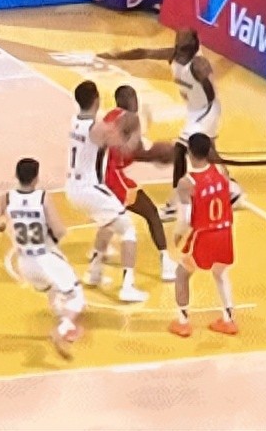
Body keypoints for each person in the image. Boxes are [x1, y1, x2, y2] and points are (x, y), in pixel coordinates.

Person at [99, 28, 245, 219]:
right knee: (209, 153)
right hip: (194, 111)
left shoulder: (199, 65)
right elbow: (145, 52)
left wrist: (202, 118)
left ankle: (174, 204)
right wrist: (117, 56)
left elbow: (210, 94)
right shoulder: (174, 54)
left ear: (191, 47)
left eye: (181, 43)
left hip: (206, 110)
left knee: (180, 151)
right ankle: (231, 189)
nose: (177, 44)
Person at [0, 158, 85, 358]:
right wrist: (51, 238)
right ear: (36, 178)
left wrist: (1, 227)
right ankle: (62, 329)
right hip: (45, 257)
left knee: (52, 290)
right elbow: (60, 230)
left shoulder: (6, 198)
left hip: (25, 263)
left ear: (16, 176)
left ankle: (65, 322)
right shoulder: (42, 198)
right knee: (76, 296)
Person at [66, 80, 148, 303]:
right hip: (90, 189)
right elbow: (128, 148)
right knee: (128, 230)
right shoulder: (99, 128)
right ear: (97, 99)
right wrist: (138, 125)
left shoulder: (74, 121)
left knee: (108, 222)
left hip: (73, 187)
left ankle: (94, 272)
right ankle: (127, 286)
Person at [103, 85, 176, 281]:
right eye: (133, 98)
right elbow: (136, 153)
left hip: (100, 176)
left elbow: (128, 152)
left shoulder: (111, 117)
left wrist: (153, 154)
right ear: (126, 101)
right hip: (114, 179)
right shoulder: (130, 121)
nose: (136, 102)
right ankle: (166, 263)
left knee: (111, 214)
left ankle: (99, 255)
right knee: (151, 213)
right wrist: (161, 153)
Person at [169, 133, 238, 337]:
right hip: (224, 232)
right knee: (220, 273)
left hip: (204, 236)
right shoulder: (221, 171)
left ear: (189, 153)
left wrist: (177, 235)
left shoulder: (187, 182)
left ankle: (183, 322)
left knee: (182, 274)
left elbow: (186, 218)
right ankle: (229, 319)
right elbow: (234, 193)